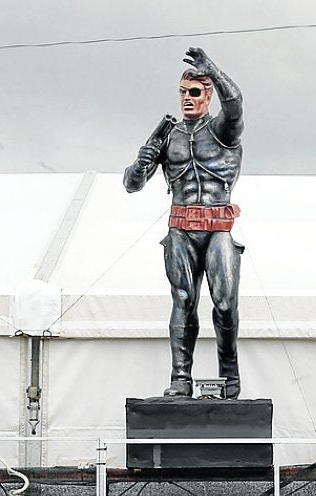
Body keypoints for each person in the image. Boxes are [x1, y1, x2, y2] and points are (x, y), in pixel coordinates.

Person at [124, 47, 245, 399]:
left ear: (208, 95)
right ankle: (180, 378)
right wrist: (141, 161)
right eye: (183, 92)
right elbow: (132, 184)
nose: (187, 98)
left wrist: (215, 71)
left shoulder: (223, 130)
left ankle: (229, 376)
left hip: (218, 226)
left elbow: (236, 104)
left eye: (195, 92)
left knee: (224, 302)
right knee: (182, 299)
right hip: (180, 227)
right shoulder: (168, 135)